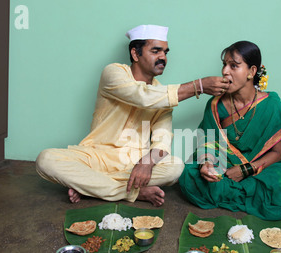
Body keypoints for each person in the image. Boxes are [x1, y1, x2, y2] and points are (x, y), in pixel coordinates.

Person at [36, 25, 229, 206]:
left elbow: (162, 141)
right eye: (156, 51)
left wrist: (147, 163)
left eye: (165, 52)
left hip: (134, 162)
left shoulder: (164, 94)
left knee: (176, 167)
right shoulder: (114, 73)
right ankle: (132, 192)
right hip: (97, 156)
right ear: (135, 54)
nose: (163, 57)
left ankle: (91, 187)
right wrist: (199, 86)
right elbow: (142, 97)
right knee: (46, 159)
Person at [178, 41, 281, 220]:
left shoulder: (271, 104)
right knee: (189, 174)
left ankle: (234, 192)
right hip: (226, 168)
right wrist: (206, 165)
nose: (225, 71)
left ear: (251, 71)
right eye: (224, 65)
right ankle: (252, 196)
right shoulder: (216, 105)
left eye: (234, 66)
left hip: (258, 170)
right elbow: (208, 142)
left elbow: (278, 153)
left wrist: (246, 170)